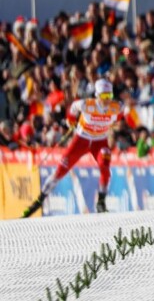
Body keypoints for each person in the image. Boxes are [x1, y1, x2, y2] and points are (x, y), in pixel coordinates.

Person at [22, 78, 122, 217]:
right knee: (61, 171)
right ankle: (39, 201)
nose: (107, 100)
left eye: (109, 96)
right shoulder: (87, 105)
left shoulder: (115, 107)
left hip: (100, 141)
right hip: (82, 140)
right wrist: (70, 119)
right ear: (97, 95)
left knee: (105, 166)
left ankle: (101, 202)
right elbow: (73, 107)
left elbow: (124, 112)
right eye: (104, 96)